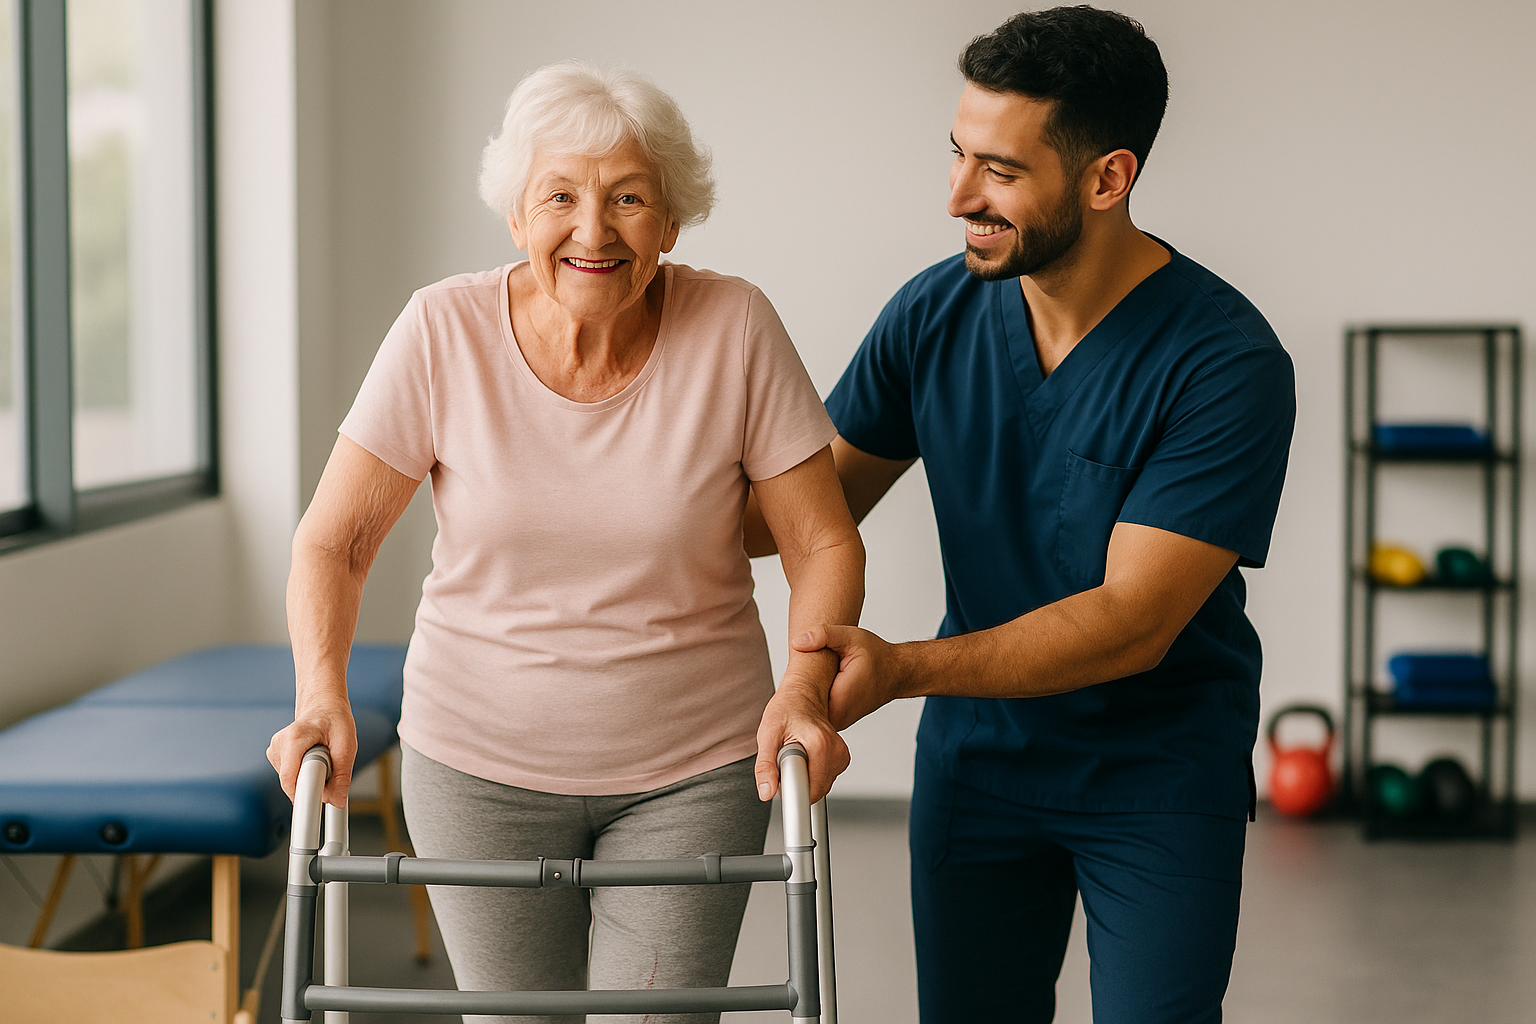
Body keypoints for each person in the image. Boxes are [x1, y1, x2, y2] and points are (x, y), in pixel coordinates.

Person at [267, 60, 863, 1024]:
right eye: (561, 197)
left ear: (670, 224)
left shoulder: (735, 326)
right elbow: (334, 543)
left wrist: (802, 690)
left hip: (694, 767)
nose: (594, 230)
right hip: (476, 764)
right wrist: (319, 697)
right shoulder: (441, 330)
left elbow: (824, 545)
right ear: (516, 215)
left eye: (629, 199)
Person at [747, 8, 1295, 1023]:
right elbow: (795, 512)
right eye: (958, 154)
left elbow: (1133, 620)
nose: (958, 196)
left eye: (999, 170)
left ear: (1106, 178)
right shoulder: (934, 313)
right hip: (982, 767)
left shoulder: (1226, 362)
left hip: (1158, 775)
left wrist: (903, 667)